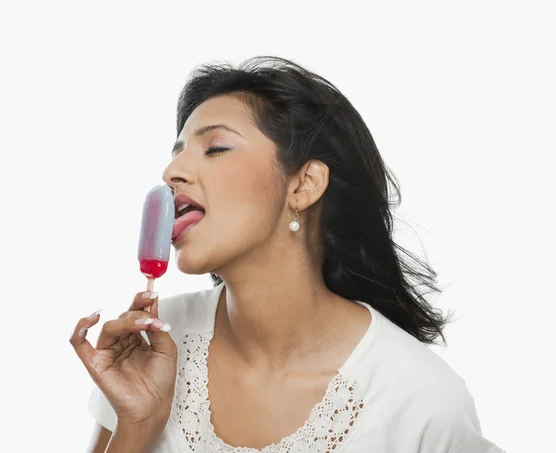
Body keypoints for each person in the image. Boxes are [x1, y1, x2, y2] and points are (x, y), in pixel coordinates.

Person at [70, 56, 506, 453]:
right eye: (177, 154)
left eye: (216, 148)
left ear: (304, 185)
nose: (171, 172)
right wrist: (137, 423)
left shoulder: (420, 401)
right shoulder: (150, 348)